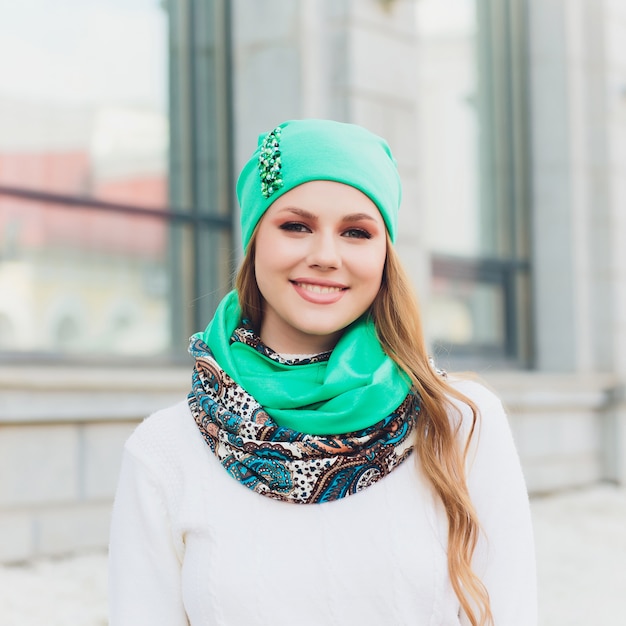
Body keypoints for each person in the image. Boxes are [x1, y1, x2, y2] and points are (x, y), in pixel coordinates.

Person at [108, 119, 537, 626]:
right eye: (296, 225)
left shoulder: (459, 422)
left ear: (384, 255)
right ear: (254, 239)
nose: (326, 256)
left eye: (356, 232)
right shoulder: (164, 451)